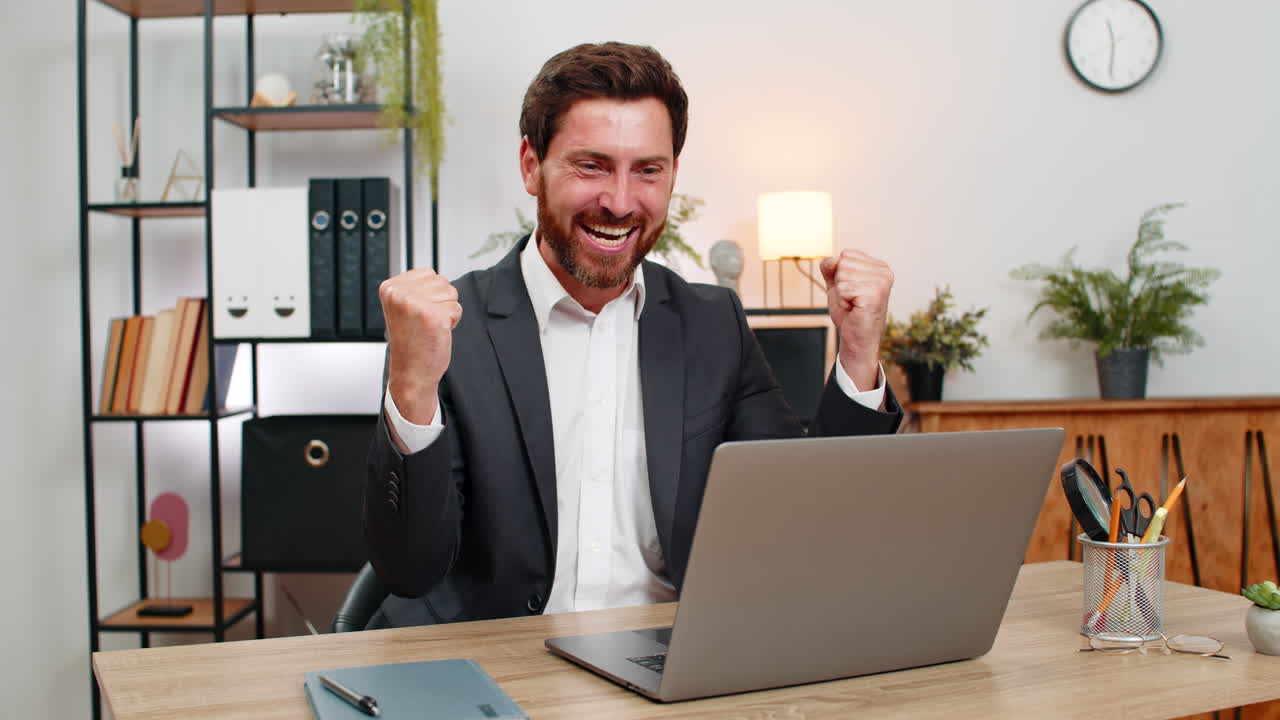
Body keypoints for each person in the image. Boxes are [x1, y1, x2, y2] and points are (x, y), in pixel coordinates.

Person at [363, 42, 902, 629]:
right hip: (498, 667)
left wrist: (857, 352)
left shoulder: (712, 322)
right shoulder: (446, 330)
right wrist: (412, 385)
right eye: (590, 165)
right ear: (530, 166)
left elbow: (808, 522)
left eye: (648, 169)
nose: (620, 203)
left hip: (669, 663)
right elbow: (409, 572)